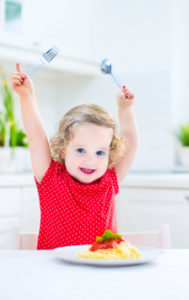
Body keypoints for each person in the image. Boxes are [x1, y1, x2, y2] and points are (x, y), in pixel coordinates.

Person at [11, 63, 138, 249]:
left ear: (110, 152)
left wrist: (125, 109)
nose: (90, 160)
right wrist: (26, 96)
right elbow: (36, 137)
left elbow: (131, 145)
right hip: (54, 271)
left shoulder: (109, 180)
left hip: (99, 270)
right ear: (63, 148)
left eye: (100, 152)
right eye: (80, 150)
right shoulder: (51, 177)